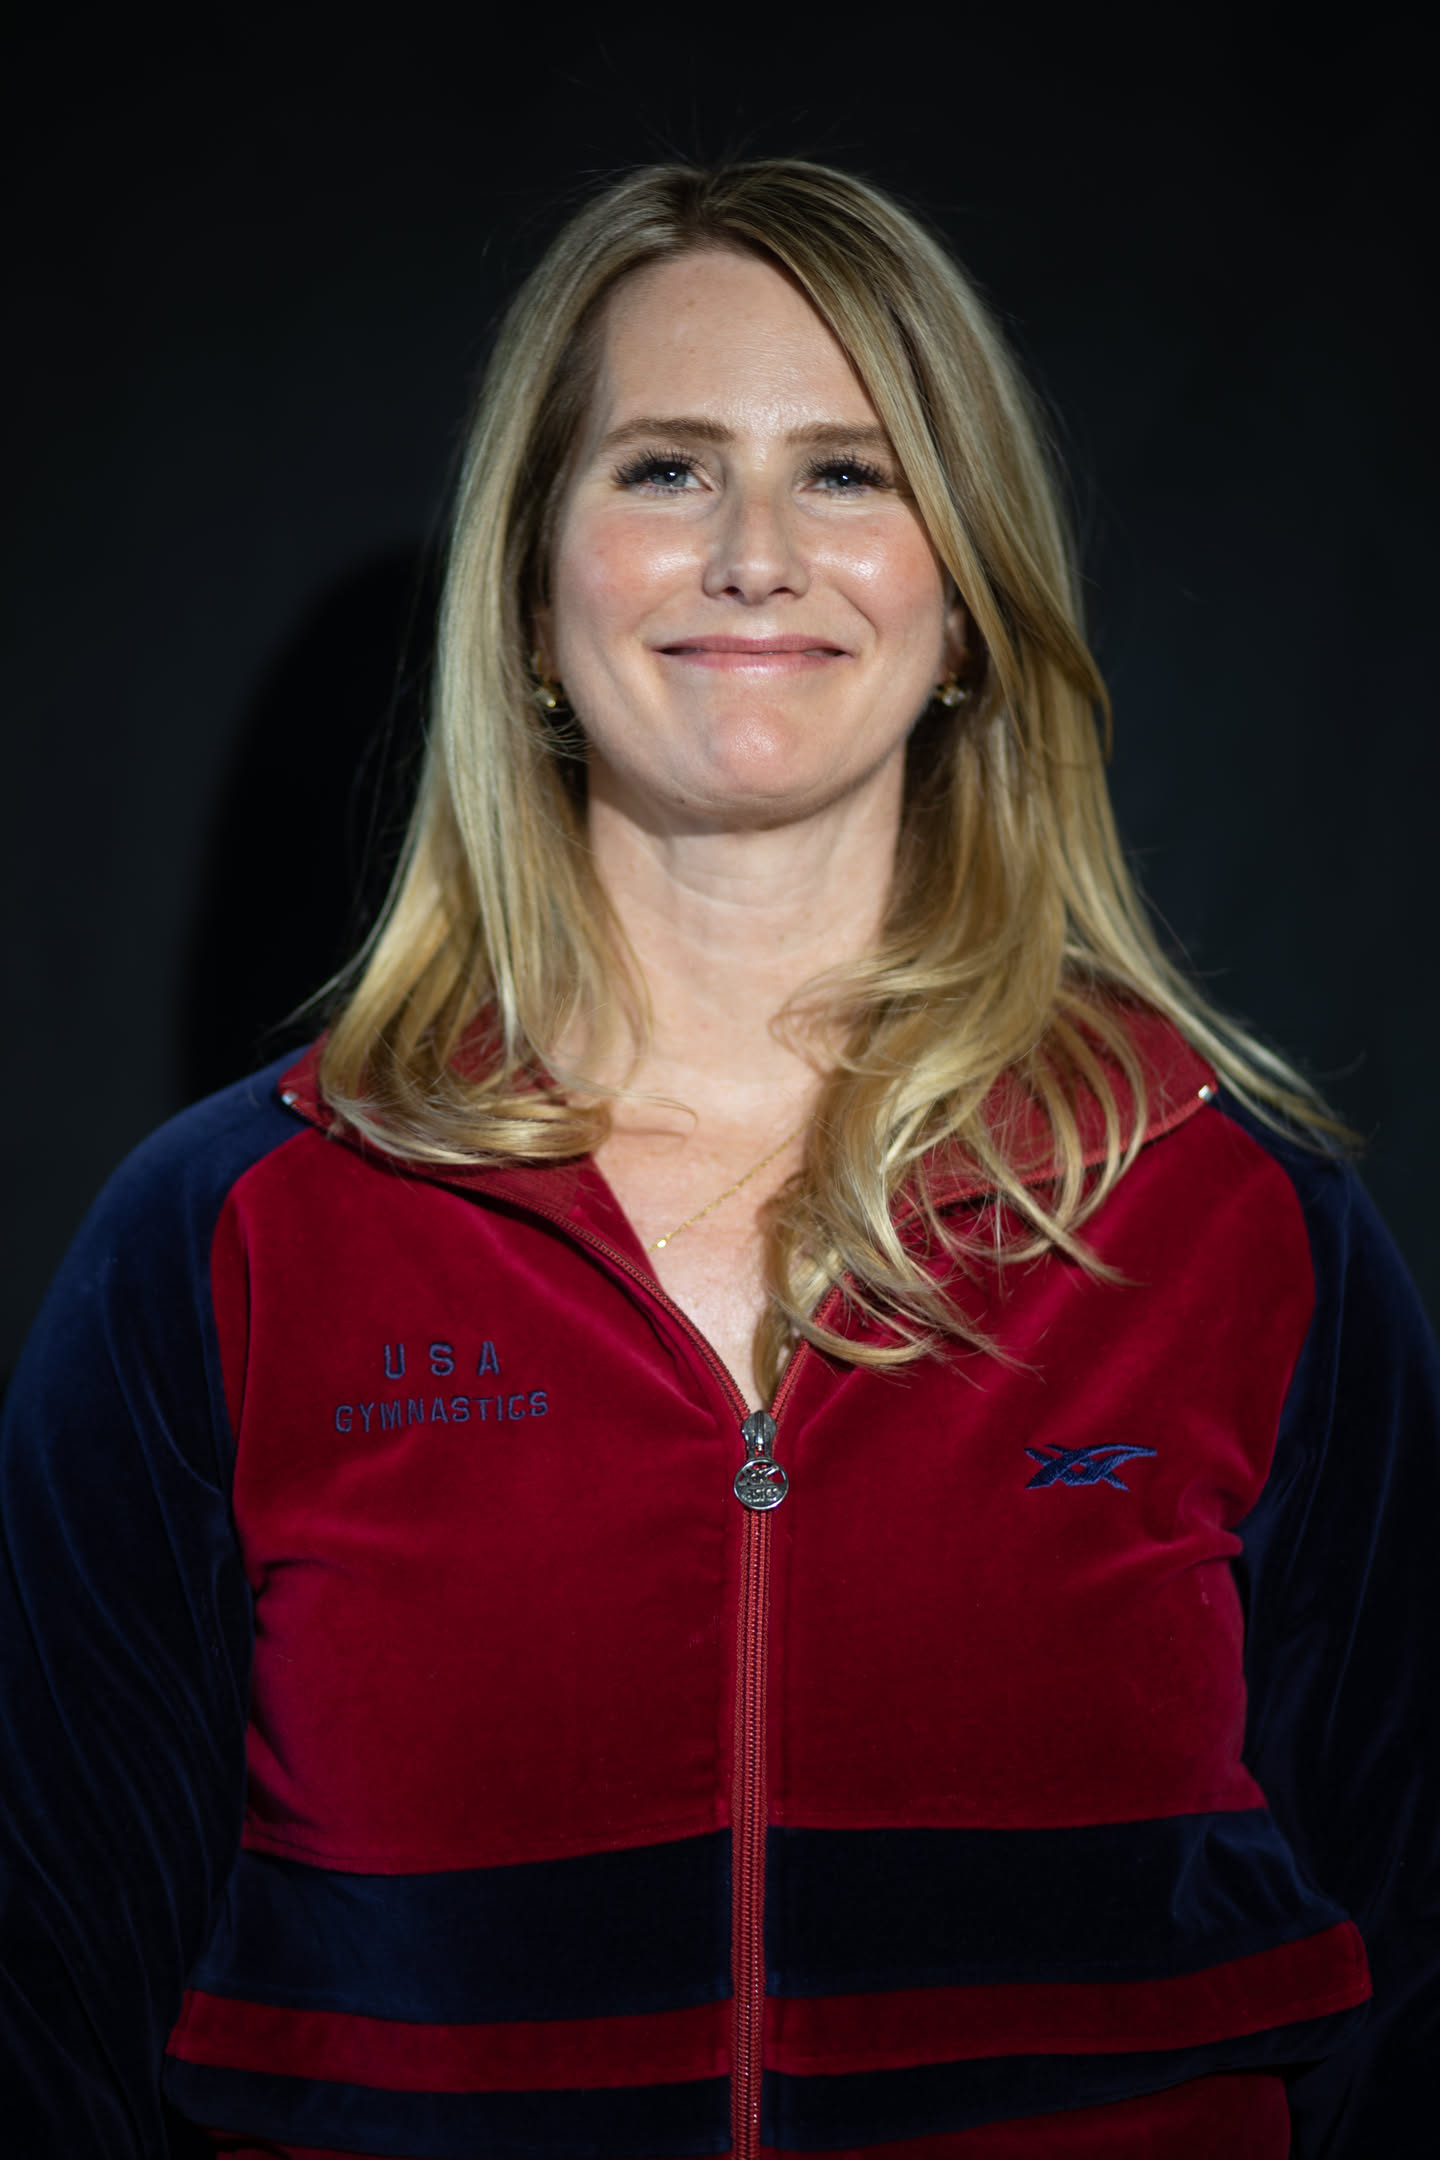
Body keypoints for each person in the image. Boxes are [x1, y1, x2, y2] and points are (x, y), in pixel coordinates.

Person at [1, 158, 1435, 2160]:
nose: (757, 554)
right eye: (667, 469)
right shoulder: (228, 1240)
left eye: (850, 472)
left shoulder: (1235, 1221)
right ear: (531, 599)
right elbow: (47, 2016)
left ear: (965, 607)